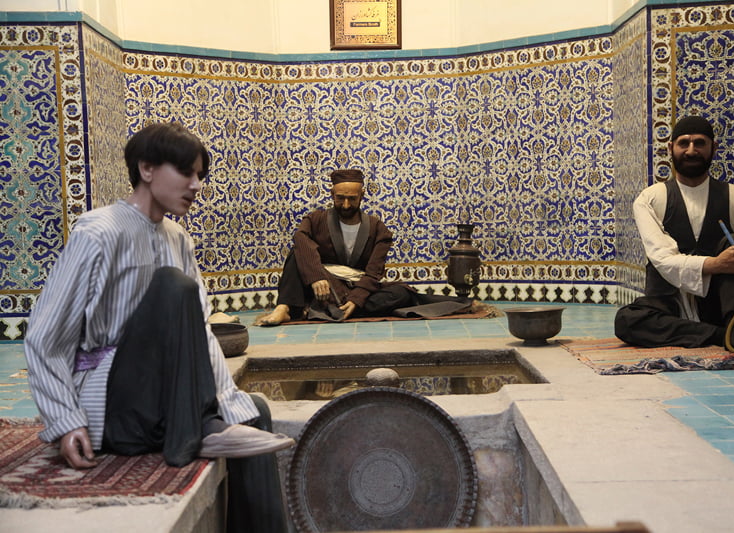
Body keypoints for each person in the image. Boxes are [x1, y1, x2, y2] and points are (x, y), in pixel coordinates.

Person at [24, 122, 292, 532]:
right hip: (115, 410)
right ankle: (200, 426)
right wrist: (65, 420)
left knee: (255, 411)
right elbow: (45, 336)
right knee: (172, 285)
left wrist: (228, 403)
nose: (196, 185)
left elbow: (200, 330)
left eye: (200, 175)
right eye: (186, 172)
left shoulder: (177, 238)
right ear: (146, 169)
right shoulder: (98, 232)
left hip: (165, 407)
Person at [614, 116, 734, 354]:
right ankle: (722, 334)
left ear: (714, 148)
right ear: (670, 148)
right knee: (627, 321)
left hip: (721, 306)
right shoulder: (650, 199)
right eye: (684, 143)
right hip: (668, 304)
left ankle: (732, 325)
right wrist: (716, 264)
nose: (691, 150)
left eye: (700, 143)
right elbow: (663, 258)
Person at [256, 169, 470, 326]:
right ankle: (284, 308)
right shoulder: (315, 220)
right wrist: (316, 277)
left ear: (362, 195)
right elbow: (300, 238)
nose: (346, 205)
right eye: (340, 198)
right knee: (297, 254)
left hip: (356, 288)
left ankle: (325, 309)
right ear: (332, 194)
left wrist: (356, 299)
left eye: (352, 199)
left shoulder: (377, 228)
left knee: (400, 294)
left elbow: (374, 273)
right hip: (326, 286)